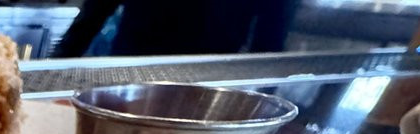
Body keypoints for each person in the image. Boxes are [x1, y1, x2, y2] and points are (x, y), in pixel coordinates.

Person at [54, 0, 301, 57]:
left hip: (209, 91)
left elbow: (270, 39)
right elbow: (94, 12)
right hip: (129, 77)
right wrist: (53, 73)